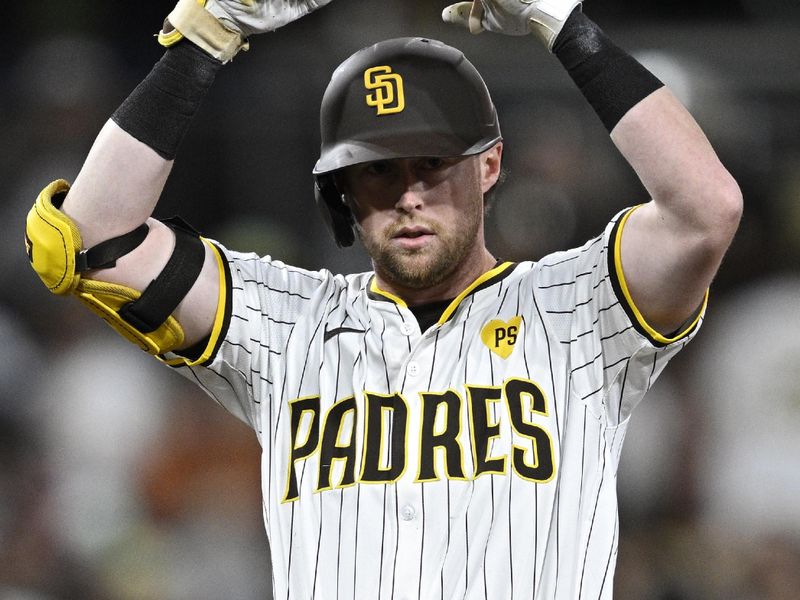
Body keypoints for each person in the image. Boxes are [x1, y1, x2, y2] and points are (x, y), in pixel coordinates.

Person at [24, 0, 742, 597]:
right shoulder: (286, 326)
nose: (407, 196)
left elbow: (705, 210)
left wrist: (565, 25)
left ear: (489, 164)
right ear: (340, 191)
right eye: (376, 172)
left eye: (431, 165)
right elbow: (85, 241)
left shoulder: (576, 310)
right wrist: (204, 39)